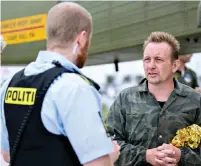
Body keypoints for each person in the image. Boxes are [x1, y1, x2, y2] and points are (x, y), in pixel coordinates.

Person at [0, 2, 120, 166]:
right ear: (82, 38)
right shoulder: (75, 87)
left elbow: (7, 154)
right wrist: (110, 157)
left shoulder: (10, 84)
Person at [105, 31, 201, 166]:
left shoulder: (195, 101)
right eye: (147, 59)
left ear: (175, 65)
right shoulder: (125, 99)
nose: (151, 66)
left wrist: (182, 156)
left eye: (158, 59)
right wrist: (145, 155)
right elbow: (108, 143)